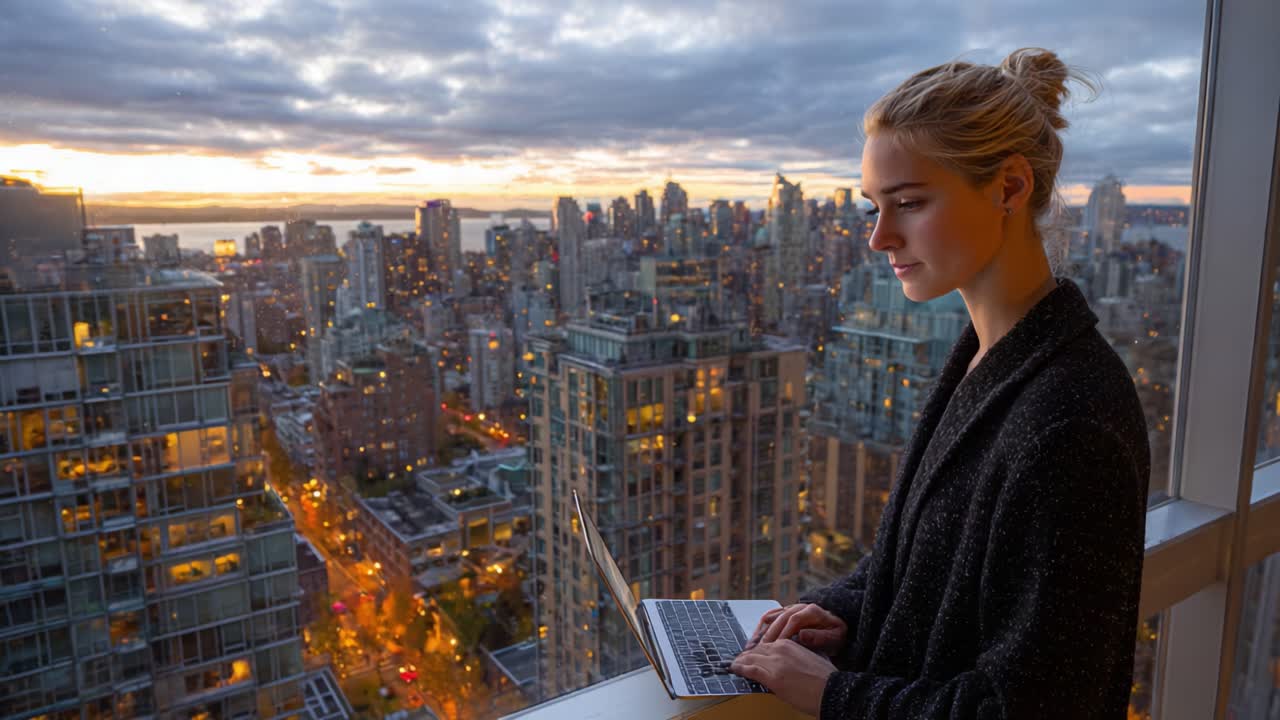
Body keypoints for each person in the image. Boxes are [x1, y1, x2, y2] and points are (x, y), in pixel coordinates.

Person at [729, 47, 1150, 718]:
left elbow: (1033, 707)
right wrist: (833, 612)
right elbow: (921, 565)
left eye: (910, 203)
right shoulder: (988, 359)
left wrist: (832, 693)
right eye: (874, 207)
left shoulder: (1071, 420)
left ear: (1009, 187)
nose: (880, 238)